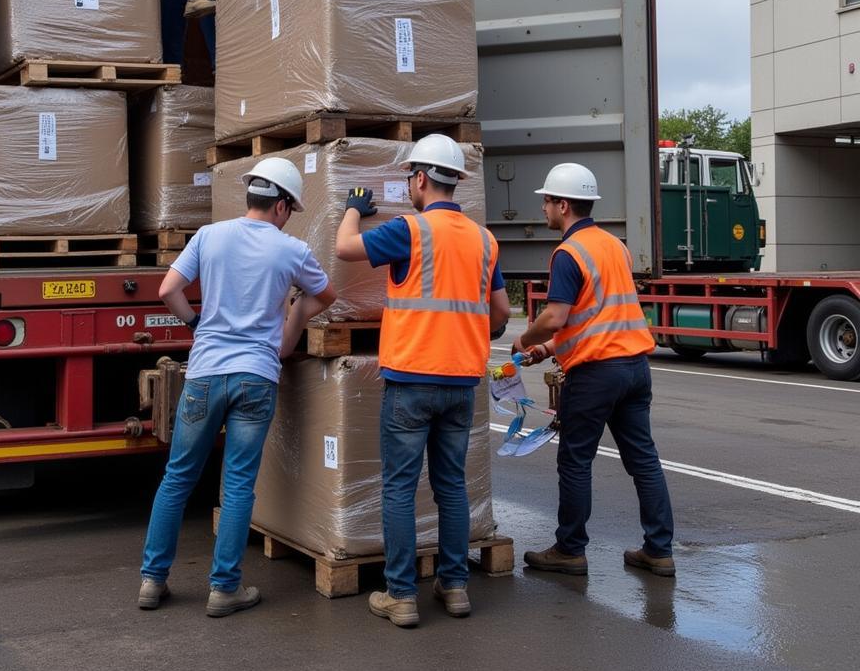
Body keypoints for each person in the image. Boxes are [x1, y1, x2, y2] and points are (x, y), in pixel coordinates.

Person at [138, 156, 336, 615]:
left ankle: (152, 580)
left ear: (251, 196)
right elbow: (325, 296)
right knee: (239, 485)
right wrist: (295, 319)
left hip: (205, 374)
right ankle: (224, 589)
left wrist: (197, 324)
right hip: (256, 377)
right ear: (283, 206)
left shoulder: (209, 236)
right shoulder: (291, 251)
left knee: (177, 478)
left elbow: (169, 290)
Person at [335, 134, 511, 628]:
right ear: (454, 181)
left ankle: (401, 595)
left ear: (419, 179)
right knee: (451, 487)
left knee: (399, 488)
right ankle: (455, 587)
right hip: (461, 381)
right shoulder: (484, 239)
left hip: (412, 378)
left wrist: (354, 208)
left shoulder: (408, 230)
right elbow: (499, 312)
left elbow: (345, 248)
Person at [517, 162, 675, 578]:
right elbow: (597, 316)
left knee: (574, 461)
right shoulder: (614, 245)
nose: (544, 210)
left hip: (596, 375)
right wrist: (550, 350)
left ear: (563, 204)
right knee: (644, 461)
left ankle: (570, 550)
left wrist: (526, 341)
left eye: (547, 201)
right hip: (635, 367)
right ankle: (658, 550)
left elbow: (556, 316)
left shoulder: (568, 253)